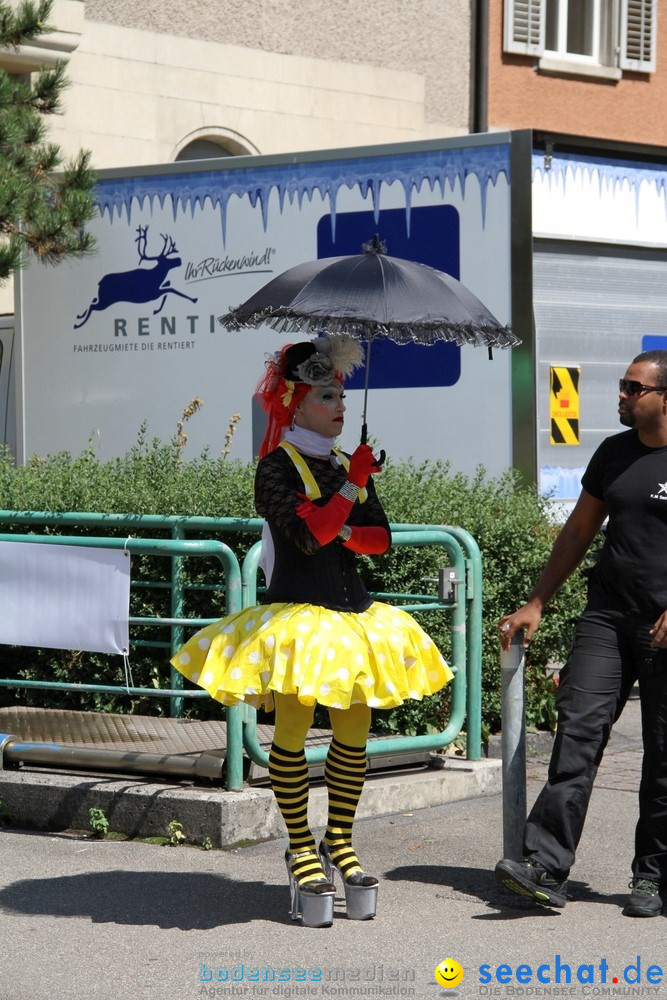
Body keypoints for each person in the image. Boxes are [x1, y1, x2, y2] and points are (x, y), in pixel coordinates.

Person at [171, 334, 453, 928]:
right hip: (297, 617)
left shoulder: (346, 466)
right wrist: (351, 489)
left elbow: (379, 542)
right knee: (294, 729)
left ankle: (340, 842)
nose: (339, 405)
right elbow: (309, 536)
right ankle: (301, 847)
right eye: (327, 395)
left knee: (355, 727)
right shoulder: (276, 467)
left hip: (353, 616)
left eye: (341, 395)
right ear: (295, 404)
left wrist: (351, 500)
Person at [495, 349, 667, 918]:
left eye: (633, 388)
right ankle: (544, 865)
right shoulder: (613, 453)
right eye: (621, 385)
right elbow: (578, 530)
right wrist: (537, 601)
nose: (620, 395)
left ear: (664, 397)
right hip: (608, 617)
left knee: (663, 756)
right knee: (578, 732)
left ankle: (653, 878)